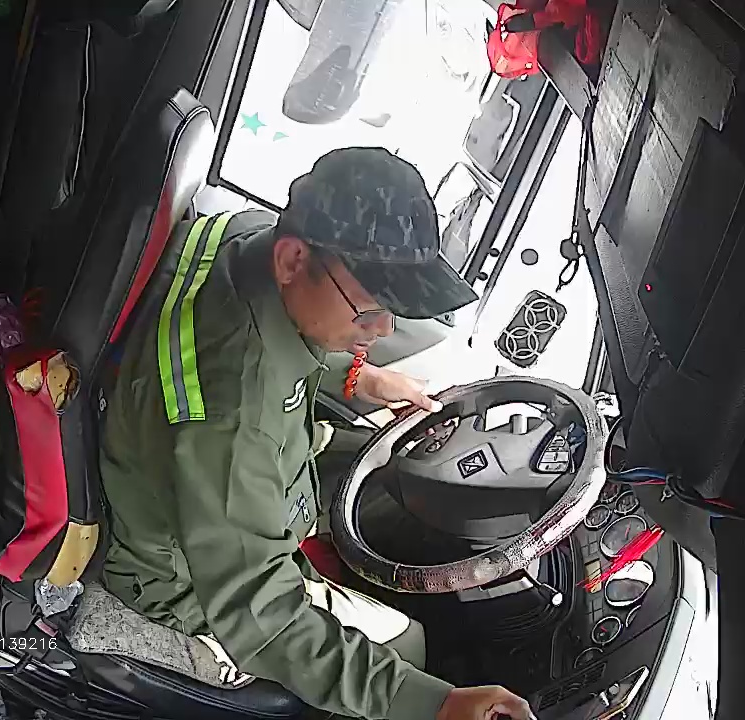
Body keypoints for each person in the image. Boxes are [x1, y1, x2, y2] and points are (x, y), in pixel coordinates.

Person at [98, 147, 535, 720]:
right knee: (407, 641)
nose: (384, 329)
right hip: (178, 578)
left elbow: (274, 338)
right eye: (369, 310)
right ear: (293, 259)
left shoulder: (246, 239)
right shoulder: (231, 423)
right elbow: (262, 615)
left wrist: (363, 377)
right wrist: (437, 703)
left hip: (208, 479)